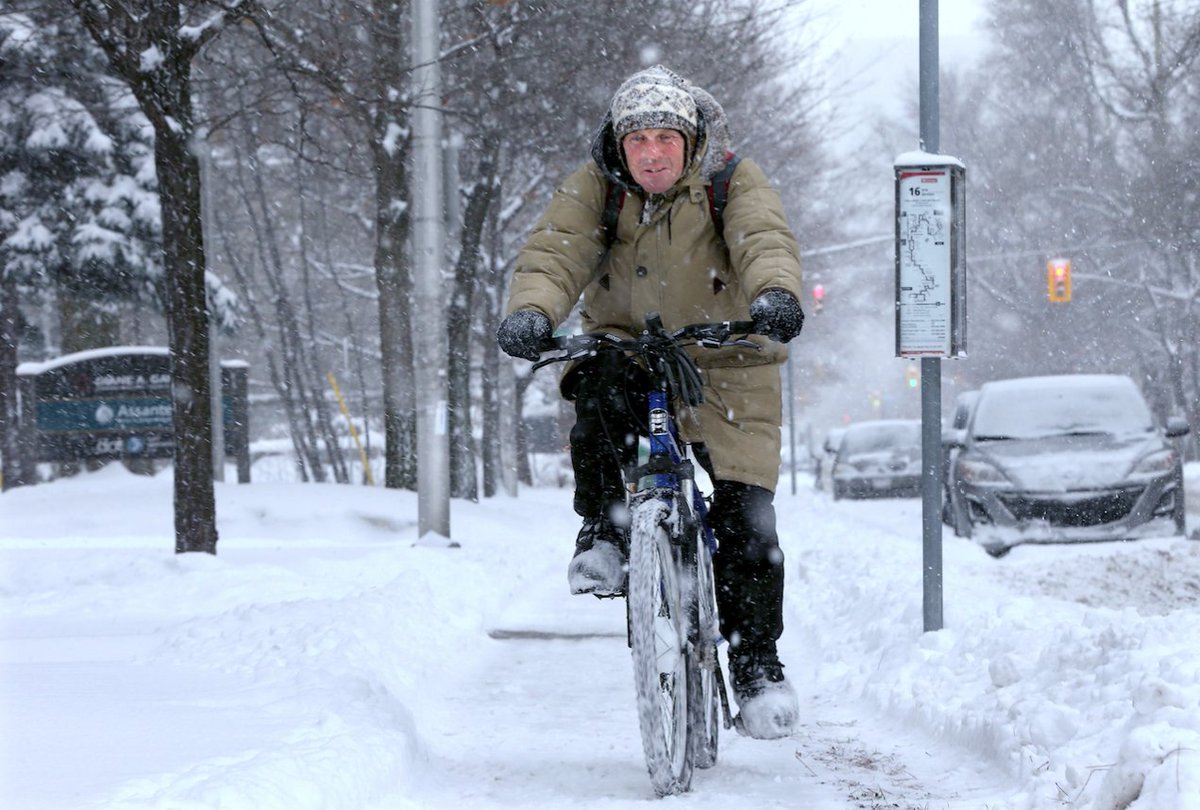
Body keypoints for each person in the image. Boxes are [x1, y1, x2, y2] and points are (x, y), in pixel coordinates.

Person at [496, 65, 805, 740]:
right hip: (630, 352)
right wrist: (532, 311)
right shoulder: (598, 187)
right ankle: (606, 533)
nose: (652, 153)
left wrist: (774, 296)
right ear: (620, 145)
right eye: (638, 140)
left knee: (747, 523)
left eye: (666, 138)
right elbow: (556, 252)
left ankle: (756, 665)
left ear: (690, 143)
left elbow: (763, 239)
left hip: (729, 361)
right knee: (597, 397)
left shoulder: (731, 182)